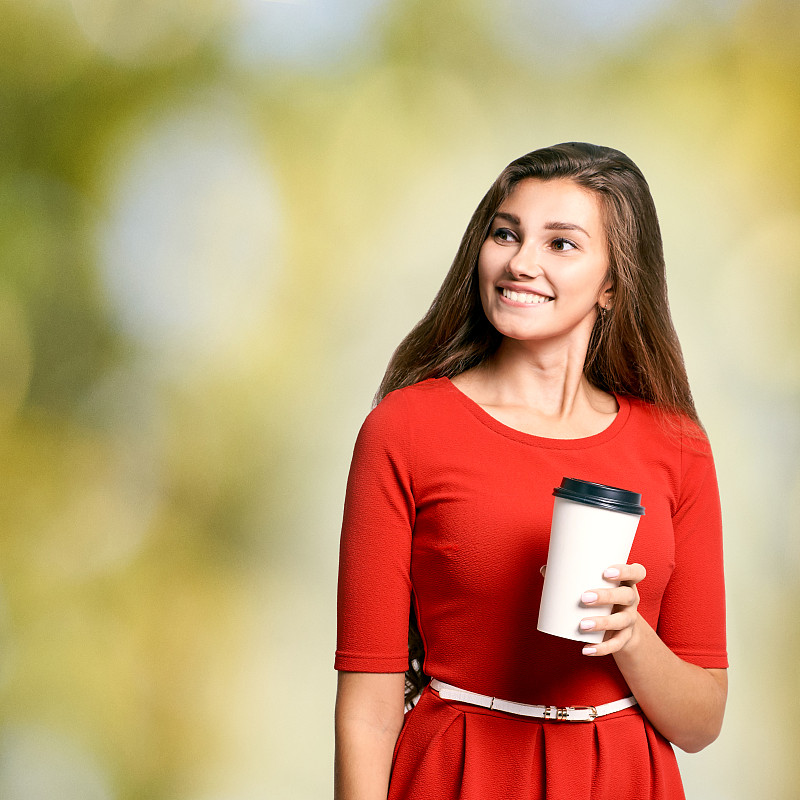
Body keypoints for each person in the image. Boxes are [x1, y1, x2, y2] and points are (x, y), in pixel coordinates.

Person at [334, 142, 727, 800]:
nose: (520, 262)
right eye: (506, 233)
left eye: (561, 244)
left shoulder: (679, 447)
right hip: (458, 776)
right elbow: (368, 714)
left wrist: (630, 636)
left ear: (612, 284)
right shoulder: (404, 430)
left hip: (626, 781)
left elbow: (702, 721)